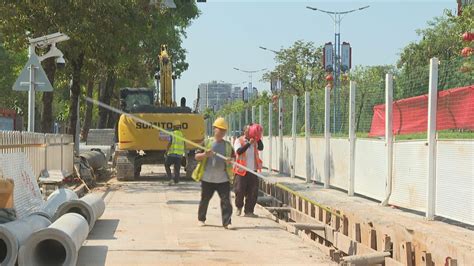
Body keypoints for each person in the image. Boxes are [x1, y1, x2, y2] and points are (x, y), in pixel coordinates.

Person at [193, 117, 235, 229]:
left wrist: (230, 160)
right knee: (204, 199)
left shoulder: (228, 145)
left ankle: (227, 222)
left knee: (226, 202)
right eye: (219, 129)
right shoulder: (206, 142)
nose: (221, 132)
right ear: (214, 129)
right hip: (208, 178)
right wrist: (205, 155)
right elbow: (196, 157)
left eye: (223, 130)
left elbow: (234, 159)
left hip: (223, 179)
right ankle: (201, 219)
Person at [233, 124, 263, 217]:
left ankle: (249, 211)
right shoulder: (239, 140)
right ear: (245, 131)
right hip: (241, 171)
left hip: (253, 170)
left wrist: (257, 138)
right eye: (249, 130)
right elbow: (239, 151)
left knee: (253, 192)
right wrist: (249, 143)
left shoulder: (254, 141)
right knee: (239, 190)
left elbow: (261, 147)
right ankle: (239, 207)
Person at [165, 120, 185, 185]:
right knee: (177, 168)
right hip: (179, 155)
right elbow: (184, 144)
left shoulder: (172, 133)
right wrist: (185, 154)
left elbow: (170, 142)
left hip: (172, 154)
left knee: (167, 165)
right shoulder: (181, 134)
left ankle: (170, 179)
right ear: (179, 126)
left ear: (174, 126)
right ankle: (176, 180)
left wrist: (166, 150)